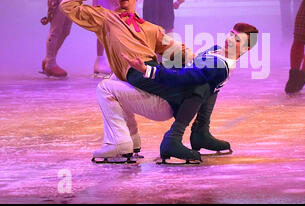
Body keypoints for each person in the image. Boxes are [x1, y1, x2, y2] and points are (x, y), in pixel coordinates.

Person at [93, 22, 258, 164]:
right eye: (231, 34)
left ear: (246, 48)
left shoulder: (220, 66)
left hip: (163, 102)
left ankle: (123, 142)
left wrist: (148, 69)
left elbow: (182, 78)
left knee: (105, 87)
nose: (229, 40)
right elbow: (203, 82)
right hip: (168, 93)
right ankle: (199, 132)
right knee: (117, 76)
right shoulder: (216, 52)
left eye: (237, 40)